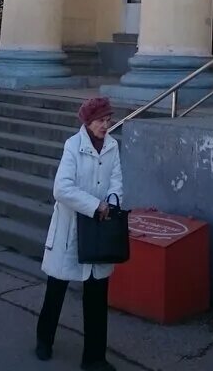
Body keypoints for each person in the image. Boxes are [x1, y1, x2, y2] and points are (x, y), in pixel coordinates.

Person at [35, 96, 122, 371]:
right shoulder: (73, 146)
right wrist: (95, 205)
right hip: (70, 230)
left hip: (99, 230)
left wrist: (112, 201)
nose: (106, 126)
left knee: (97, 295)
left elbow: (117, 180)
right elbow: (61, 189)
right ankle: (44, 340)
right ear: (88, 122)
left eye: (108, 120)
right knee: (56, 288)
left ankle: (94, 357)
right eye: (101, 121)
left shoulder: (112, 146)